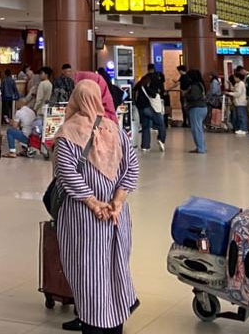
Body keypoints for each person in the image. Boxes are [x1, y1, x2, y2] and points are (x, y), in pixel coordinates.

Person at [53, 80, 139, 334]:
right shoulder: (116, 130)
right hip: (116, 218)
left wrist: (92, 202)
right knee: (114, 270)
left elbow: (65, 172)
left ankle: (92, 323)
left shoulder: (68, 133)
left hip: (84, 219)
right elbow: (132, 168)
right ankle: (114, 325)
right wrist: (117, 202)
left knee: (88, 274)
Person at [137, 72, 167, 152]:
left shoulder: (140, 85)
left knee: (145, 127)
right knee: (161, 124)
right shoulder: (148, 86)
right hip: (150, 108)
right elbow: (153, 95)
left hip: (141, 109)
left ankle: (145, 146)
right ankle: (161, 139)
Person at [183, 70, 208, 154]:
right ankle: (201, 146)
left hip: (196, 108)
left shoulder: (194, 86)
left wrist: (185, 94)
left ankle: (200, 148)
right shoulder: (200, 84)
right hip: (202, 108)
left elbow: (194, 97)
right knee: (199, 129)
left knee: (196, 129)